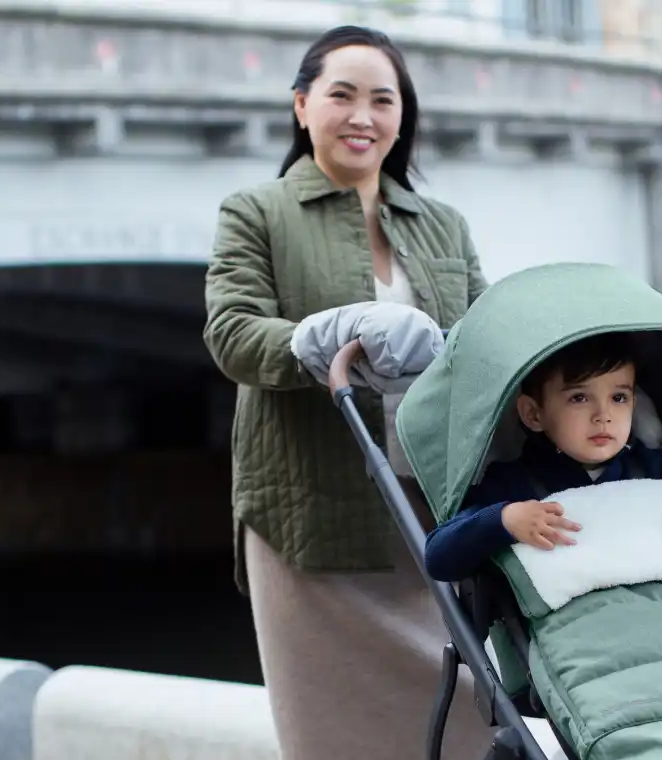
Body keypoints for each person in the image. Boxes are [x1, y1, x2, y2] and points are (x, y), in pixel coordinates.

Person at [201, 25, 491, 760]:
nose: (363, 116)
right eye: (342, 95)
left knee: (471, 706)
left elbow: (488, 339)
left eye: (382, 100)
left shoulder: (442, 224)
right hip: (312, 511)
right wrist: (319, 339)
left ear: (402, 116)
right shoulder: (255, 212)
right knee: (332, 729)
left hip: (434, 507)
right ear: (301, 106)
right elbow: (232, 333)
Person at [423, 332, 662, 586]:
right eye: (579, 397)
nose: (603, 415)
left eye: (619, 397)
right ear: (533, 413)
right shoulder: (514, 483)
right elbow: (439, 556)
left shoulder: (649, 467)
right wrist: (504, 520)